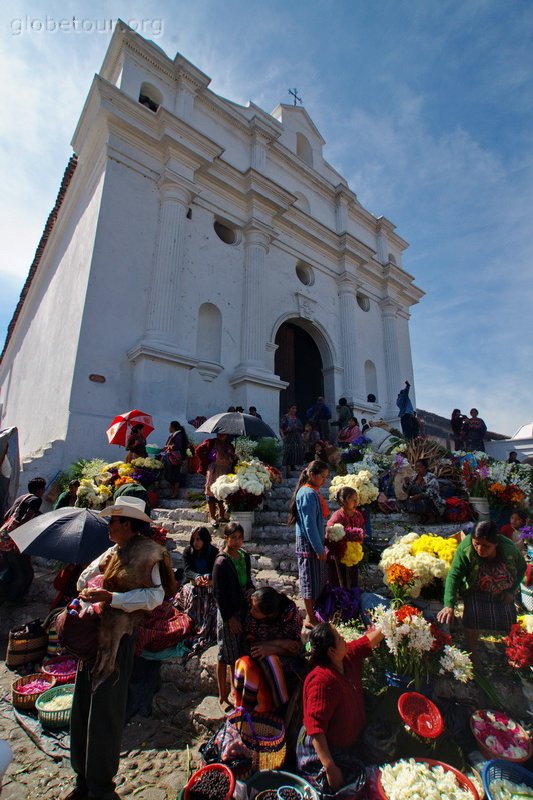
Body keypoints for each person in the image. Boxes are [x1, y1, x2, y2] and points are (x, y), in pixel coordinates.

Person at [62, 496, 176, 800]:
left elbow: (155, 597)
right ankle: (83, 777)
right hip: (94, 640)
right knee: (83, 705)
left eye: (114, 520)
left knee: (106, 712)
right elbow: (84, 579)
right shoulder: (112, 551)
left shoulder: (150, 554)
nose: (109, 525)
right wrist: (89, 589)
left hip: (118, 640)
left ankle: (101, 785)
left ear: (128, 524)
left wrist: (113, 599)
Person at [297, 622, 383, 791]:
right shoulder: (321, 681)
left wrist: (395, 620)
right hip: (324, 751)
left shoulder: (346, 657)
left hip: (348, 743)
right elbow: (315, 728)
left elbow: (367, 642)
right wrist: (330, 767)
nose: (343, 638)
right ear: (331, 651)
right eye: (338, 637)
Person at [437, 520, 526, 664]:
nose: (479, 549)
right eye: (476, 543)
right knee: (471, 618)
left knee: (509, 621)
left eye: (486, 546)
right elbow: (454, 575)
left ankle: (512, 655)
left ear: (495, 544)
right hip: (476, 589)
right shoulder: (466, 548)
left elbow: (522, 568)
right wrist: (449, 604)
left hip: (502, 590)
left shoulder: (509, 549)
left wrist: (511, 591)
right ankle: (474, 655)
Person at [233, 586, 303, 712]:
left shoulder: (289, 613)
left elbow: (295, 648)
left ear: (269, 613)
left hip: (286, 657)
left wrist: (273, 648)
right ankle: (248, 708)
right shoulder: (252, 617)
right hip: (261, 653)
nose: (251, 611)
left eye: (256, 610)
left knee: (271, 662)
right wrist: (277, 645)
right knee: (248, 664)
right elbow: (253, 646)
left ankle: (279, 706)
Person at [212, 522, 254, 713]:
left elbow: (249, 581)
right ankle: (222, 695)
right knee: (224, 653)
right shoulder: (221, 562)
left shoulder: (244, 556)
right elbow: (219, 593)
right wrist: (230, 618)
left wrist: (251, 592)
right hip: (228, 612)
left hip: (242, 608)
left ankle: (234, 690)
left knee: (239, 652)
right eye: (233, 537)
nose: (237, 541)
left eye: (240, 537)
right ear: (226, 538)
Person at [288, 460, 330, 629]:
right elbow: (309, 524)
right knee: (309, 581)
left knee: (317, 579)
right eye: (322, 476)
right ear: (311, 475)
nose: (324, 480)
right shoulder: (307, 494)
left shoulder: (312, 492)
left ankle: (316, 614)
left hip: (314, 542)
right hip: (309, 544)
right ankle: (310, 617)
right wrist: (319, 548)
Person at [0, 476, 46, 602]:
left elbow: (6, 516)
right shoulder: (36, 499)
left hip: (3, 538)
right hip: (15, 541)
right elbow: (26, 520)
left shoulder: (22, 498)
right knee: (24, 573)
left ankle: (4, 594)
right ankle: (13, 599)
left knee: (11, 568)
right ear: (41, 490)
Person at [175, 527, 219, 654]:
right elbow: (187, 570)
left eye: (199, 539)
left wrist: (207, 576)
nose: (196, 543)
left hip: (209, 585)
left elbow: (215, 571)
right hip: (192, 584)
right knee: (191, 596)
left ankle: (205, 629)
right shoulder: (188, 551)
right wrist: (196, 576)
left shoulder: (214, 552)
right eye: (193, 539)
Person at [326, 487, 365, 588]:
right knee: (339, 583)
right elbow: (329, 535)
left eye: (357, 499)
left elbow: (362, 533)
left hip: (353, 556)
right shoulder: (337, 516)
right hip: (339, 557)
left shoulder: (358, 515)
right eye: (353, 499)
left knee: (352, 582)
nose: (356, 502)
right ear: (343, 501)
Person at [196, 433, 236, 527]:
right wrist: (206, 462)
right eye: (219, 433)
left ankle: (222, 516)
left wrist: (234, 458)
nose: (221, 435)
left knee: (223, 493)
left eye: (224, 434)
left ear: (227, 435)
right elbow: (198, 450)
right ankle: (213, 518)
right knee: (211, 493)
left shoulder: (230, 446)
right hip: (214, 470)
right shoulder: (210, 443)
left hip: (226, 471)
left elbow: (232, 459)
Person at [401, 458, 444, 523]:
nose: (417, 469)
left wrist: (418, 496)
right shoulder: (414, 477)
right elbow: (407, 491)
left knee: (422, 500)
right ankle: (423, 516)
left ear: (425, 468)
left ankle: (431, 516)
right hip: (417, 499)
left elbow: (430, 494)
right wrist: (406, 483)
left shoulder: (431, 478)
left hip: (431, 501)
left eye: (420, 467)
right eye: (416, 467)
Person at [162, 420, 189, 499]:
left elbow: (178, 446)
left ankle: (175, 493)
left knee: (175, 476)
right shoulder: (174, 435)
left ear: (173, 428)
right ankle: (172, 493)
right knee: (171, 475)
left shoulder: (178, 435)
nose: (168, 428)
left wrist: (170, 447)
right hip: (172, 459)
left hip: (175, 459)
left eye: (170, 427)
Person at [280, 404, 304, 477]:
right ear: (289, 409)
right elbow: (281, 428)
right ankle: (288, 472)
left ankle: (293, 467)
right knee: (288, 453)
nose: (294, 410)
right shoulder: (285, 417)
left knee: (295, 453)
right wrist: (283, 436)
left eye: (295, 409)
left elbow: (301, 428)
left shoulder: (297, 419)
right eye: (292, 408)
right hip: (288, 437)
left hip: (296, 438)